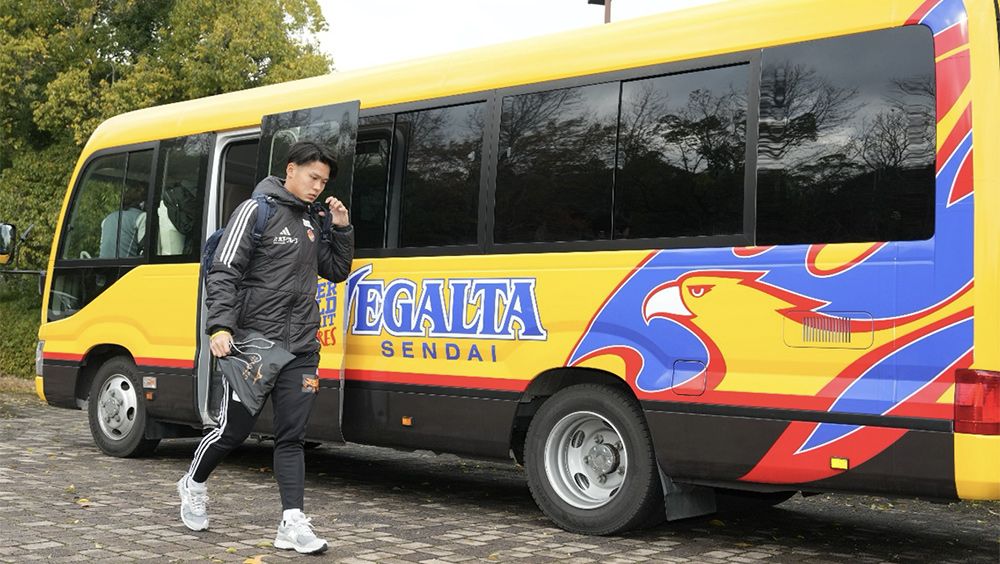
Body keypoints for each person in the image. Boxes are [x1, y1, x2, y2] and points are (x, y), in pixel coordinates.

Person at [176, 141, 354, 555]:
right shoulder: (255, 211)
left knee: (292, 436)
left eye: (324, 181)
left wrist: (342, 228)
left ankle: (291, 522)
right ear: (291, 170)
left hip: (301, 347)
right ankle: (193, 484)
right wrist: (219, 326)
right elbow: (224, 270)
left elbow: (336, 270)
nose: (318, 186)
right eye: (313, 177)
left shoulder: (313, 220)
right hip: (254, 345)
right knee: (232, 431)